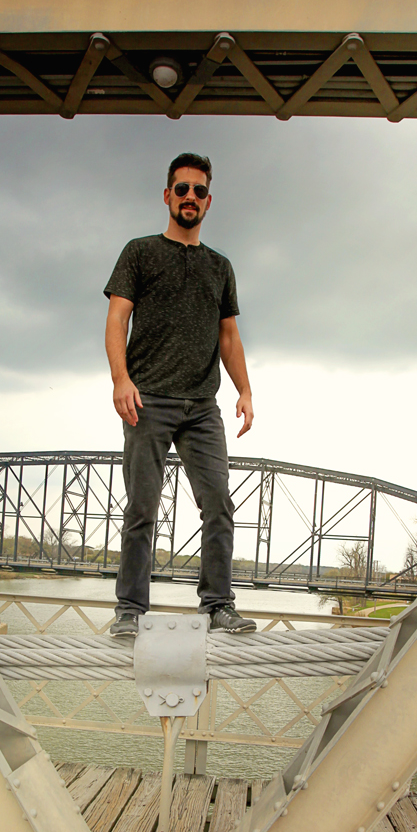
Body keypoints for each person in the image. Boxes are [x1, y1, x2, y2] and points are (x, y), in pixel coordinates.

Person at [103, 152, 258, 637]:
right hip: (147, 399)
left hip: (202, 406)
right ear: (167, 195)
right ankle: (130, 609)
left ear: (208, 202)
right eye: (182, 188)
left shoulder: (220, 266)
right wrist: (120, 379)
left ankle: (217, 605)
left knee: (218, 505)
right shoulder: (140, 252)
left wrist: (246, 391)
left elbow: (228, 337)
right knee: (142, 506)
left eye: (198, 190)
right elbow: (116, 319)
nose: (190, 196)